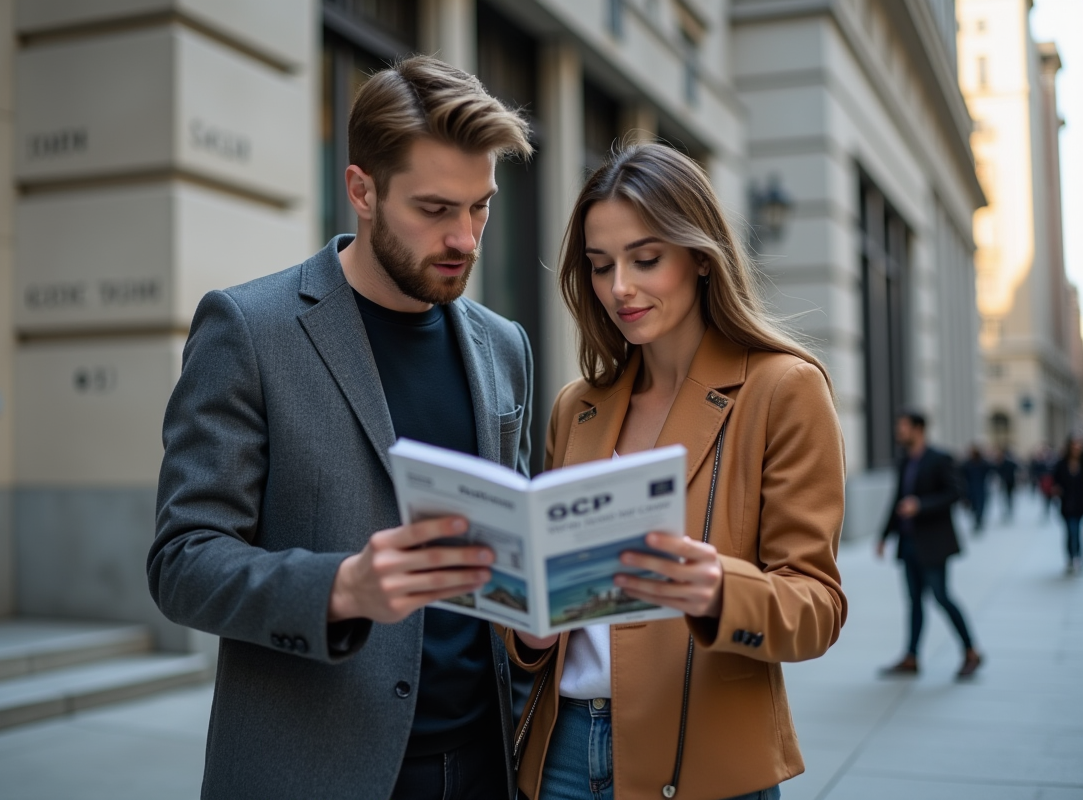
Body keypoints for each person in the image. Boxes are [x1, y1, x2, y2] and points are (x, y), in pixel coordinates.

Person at [147, 56, 534, 800]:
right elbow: (183, 562)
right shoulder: (248, 330)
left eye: (479, 206)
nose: (466, 238)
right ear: (362, 189)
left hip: (492, 765)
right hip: (319, 768)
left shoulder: (504, 344)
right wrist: (342, 588)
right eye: (434, 209)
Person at [504, 143, 847, 800]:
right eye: (601, 267)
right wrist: (526, 626)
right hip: (561, 754)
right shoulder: (576, 407)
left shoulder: (783, 390)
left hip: (703, 761)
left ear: (699, 256)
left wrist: (718, 589)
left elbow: (817, 606)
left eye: (646, 259)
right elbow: (545, 601)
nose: (620, 288)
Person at [876, 411, 983, 680]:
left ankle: (971, 651)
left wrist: (921, 505)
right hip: (908, 543)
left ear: (918, 429)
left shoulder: (940, 458)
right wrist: (883, 536)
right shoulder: (904, 462)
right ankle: (911, 657)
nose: (898, 432)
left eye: (902, 427)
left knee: (941, 596)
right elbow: (896, 501)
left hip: (934, 544)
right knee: (914, 602)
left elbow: (955, 493)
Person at [1051, 435, 1083, 575]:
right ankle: (1072, 557)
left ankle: (1076, 557)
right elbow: (1055, 480)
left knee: (1075, 530)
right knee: (1071, 531)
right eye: (1074, 445)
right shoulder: (1061, 464)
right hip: (1066, 504)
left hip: (1080, 504)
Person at [960, 444, 992, 532]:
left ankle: (979, 520)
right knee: (974, 506)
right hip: (971, 488)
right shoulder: (967, 464)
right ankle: (977, 520)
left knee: (980, 506)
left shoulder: (983, 463)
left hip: (980, 488)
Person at [994, 448, 1019, 522]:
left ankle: (1009, 510)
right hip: (1004, 483)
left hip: (1009, 482)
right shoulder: (1000, 463)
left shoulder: (1008, 463)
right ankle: (1007, 510)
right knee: (1005, 497)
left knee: (1009, 497)